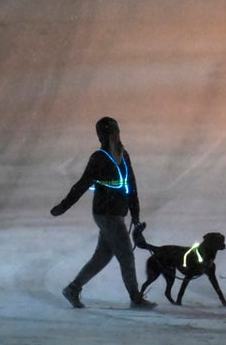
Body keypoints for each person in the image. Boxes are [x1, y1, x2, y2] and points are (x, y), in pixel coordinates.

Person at [50, 116, 156, 310]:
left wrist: (136, 215)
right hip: (106, 214)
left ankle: (73, 289)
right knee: (126, 256)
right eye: (112, 133)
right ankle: (136, 298)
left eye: (117, 132)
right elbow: (82, 184)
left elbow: (131, 185)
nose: (116, 136)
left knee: (102, 256)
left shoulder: (124, 156)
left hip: (117, 214)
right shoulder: (99, 159)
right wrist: (64, 206)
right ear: (104, 136)